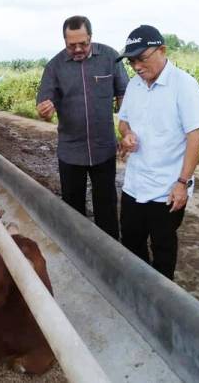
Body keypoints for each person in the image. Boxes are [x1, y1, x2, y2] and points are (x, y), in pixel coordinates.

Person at [116, 25, 199, 280]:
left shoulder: (184, 86)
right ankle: (141, 285)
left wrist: (182, 182)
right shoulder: (134, 86)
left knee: (163, 246)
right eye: (131, 61)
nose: (136, 66)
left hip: (167, 190)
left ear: (162, 51)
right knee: (132, 239)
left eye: (142, 58)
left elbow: (195, 136)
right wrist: (126, 134)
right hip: (135, 184)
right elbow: (123, 121)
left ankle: (162, 298)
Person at [36, 15, 129, 240]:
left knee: (106, 207)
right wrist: (45, 111)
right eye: (71, 45)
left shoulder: (110, 58)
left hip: (104, 149)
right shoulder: (54, 66)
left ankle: (108, 254)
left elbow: (124, 94)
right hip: (70, 152)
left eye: (83, 44)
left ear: (91, 37)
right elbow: (44, 105)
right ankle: (78, 252)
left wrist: (127, 129)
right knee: (72, 209)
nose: (78, 49)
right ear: (64, 41)